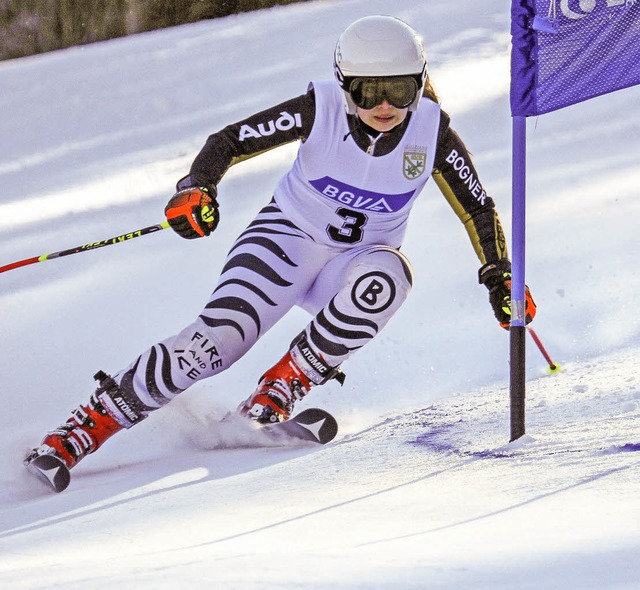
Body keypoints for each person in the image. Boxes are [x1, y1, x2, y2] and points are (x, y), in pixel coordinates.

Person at [26, 15, 536, 476]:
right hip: (284, 241)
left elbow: (479, 208)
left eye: (400, 91)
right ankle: (80, 431)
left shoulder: (431, 131)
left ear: (420, 81)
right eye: (368, 91)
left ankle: (276, 393)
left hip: (355, 264)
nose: (384, 106)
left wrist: (500, 274)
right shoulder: (320, 108)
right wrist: (196, 188)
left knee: (389, 278)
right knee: (217, 344)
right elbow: (230, 140)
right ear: (344, 85)